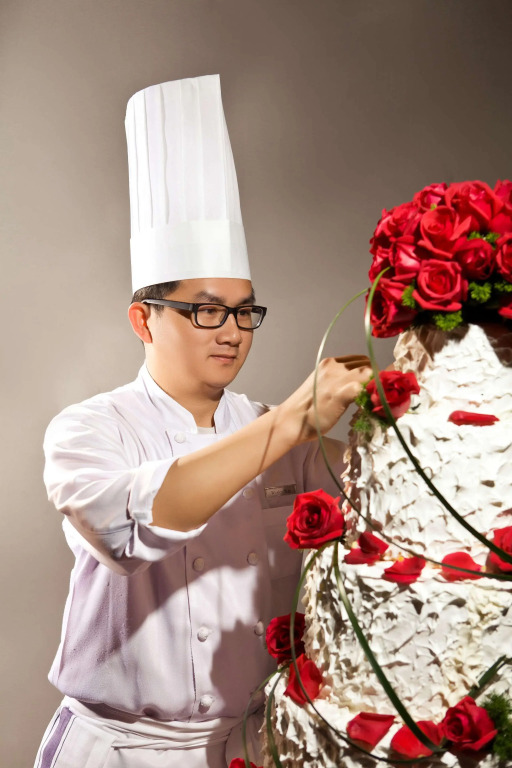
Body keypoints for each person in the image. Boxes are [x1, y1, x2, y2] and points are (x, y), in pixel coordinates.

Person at [34, 75, 370, 768]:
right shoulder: (88, 431)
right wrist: (294, 420)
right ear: (143, 320)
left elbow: (392, 494)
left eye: (245, 312)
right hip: (118, 748)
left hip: (248, 742)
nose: (233, 331)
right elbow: (134, 529)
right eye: (207, 310)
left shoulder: (279, 431)